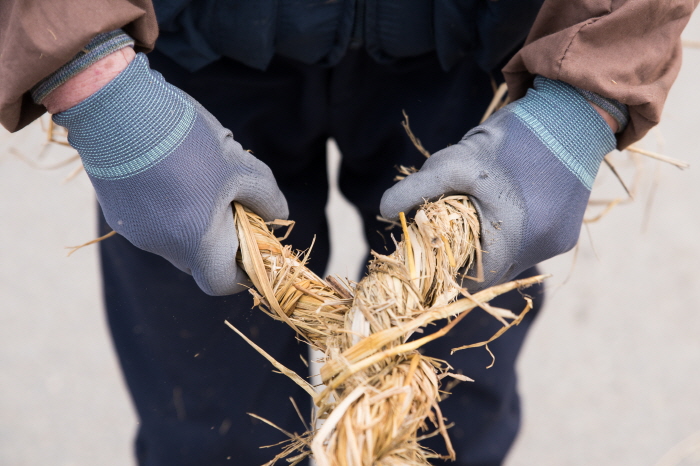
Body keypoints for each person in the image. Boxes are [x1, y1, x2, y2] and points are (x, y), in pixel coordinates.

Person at [1, 1, 696, 465]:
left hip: (479, 47)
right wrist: (95, 77)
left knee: (443, 420)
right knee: (212, 427)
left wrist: (587, 87)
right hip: (179, 53)